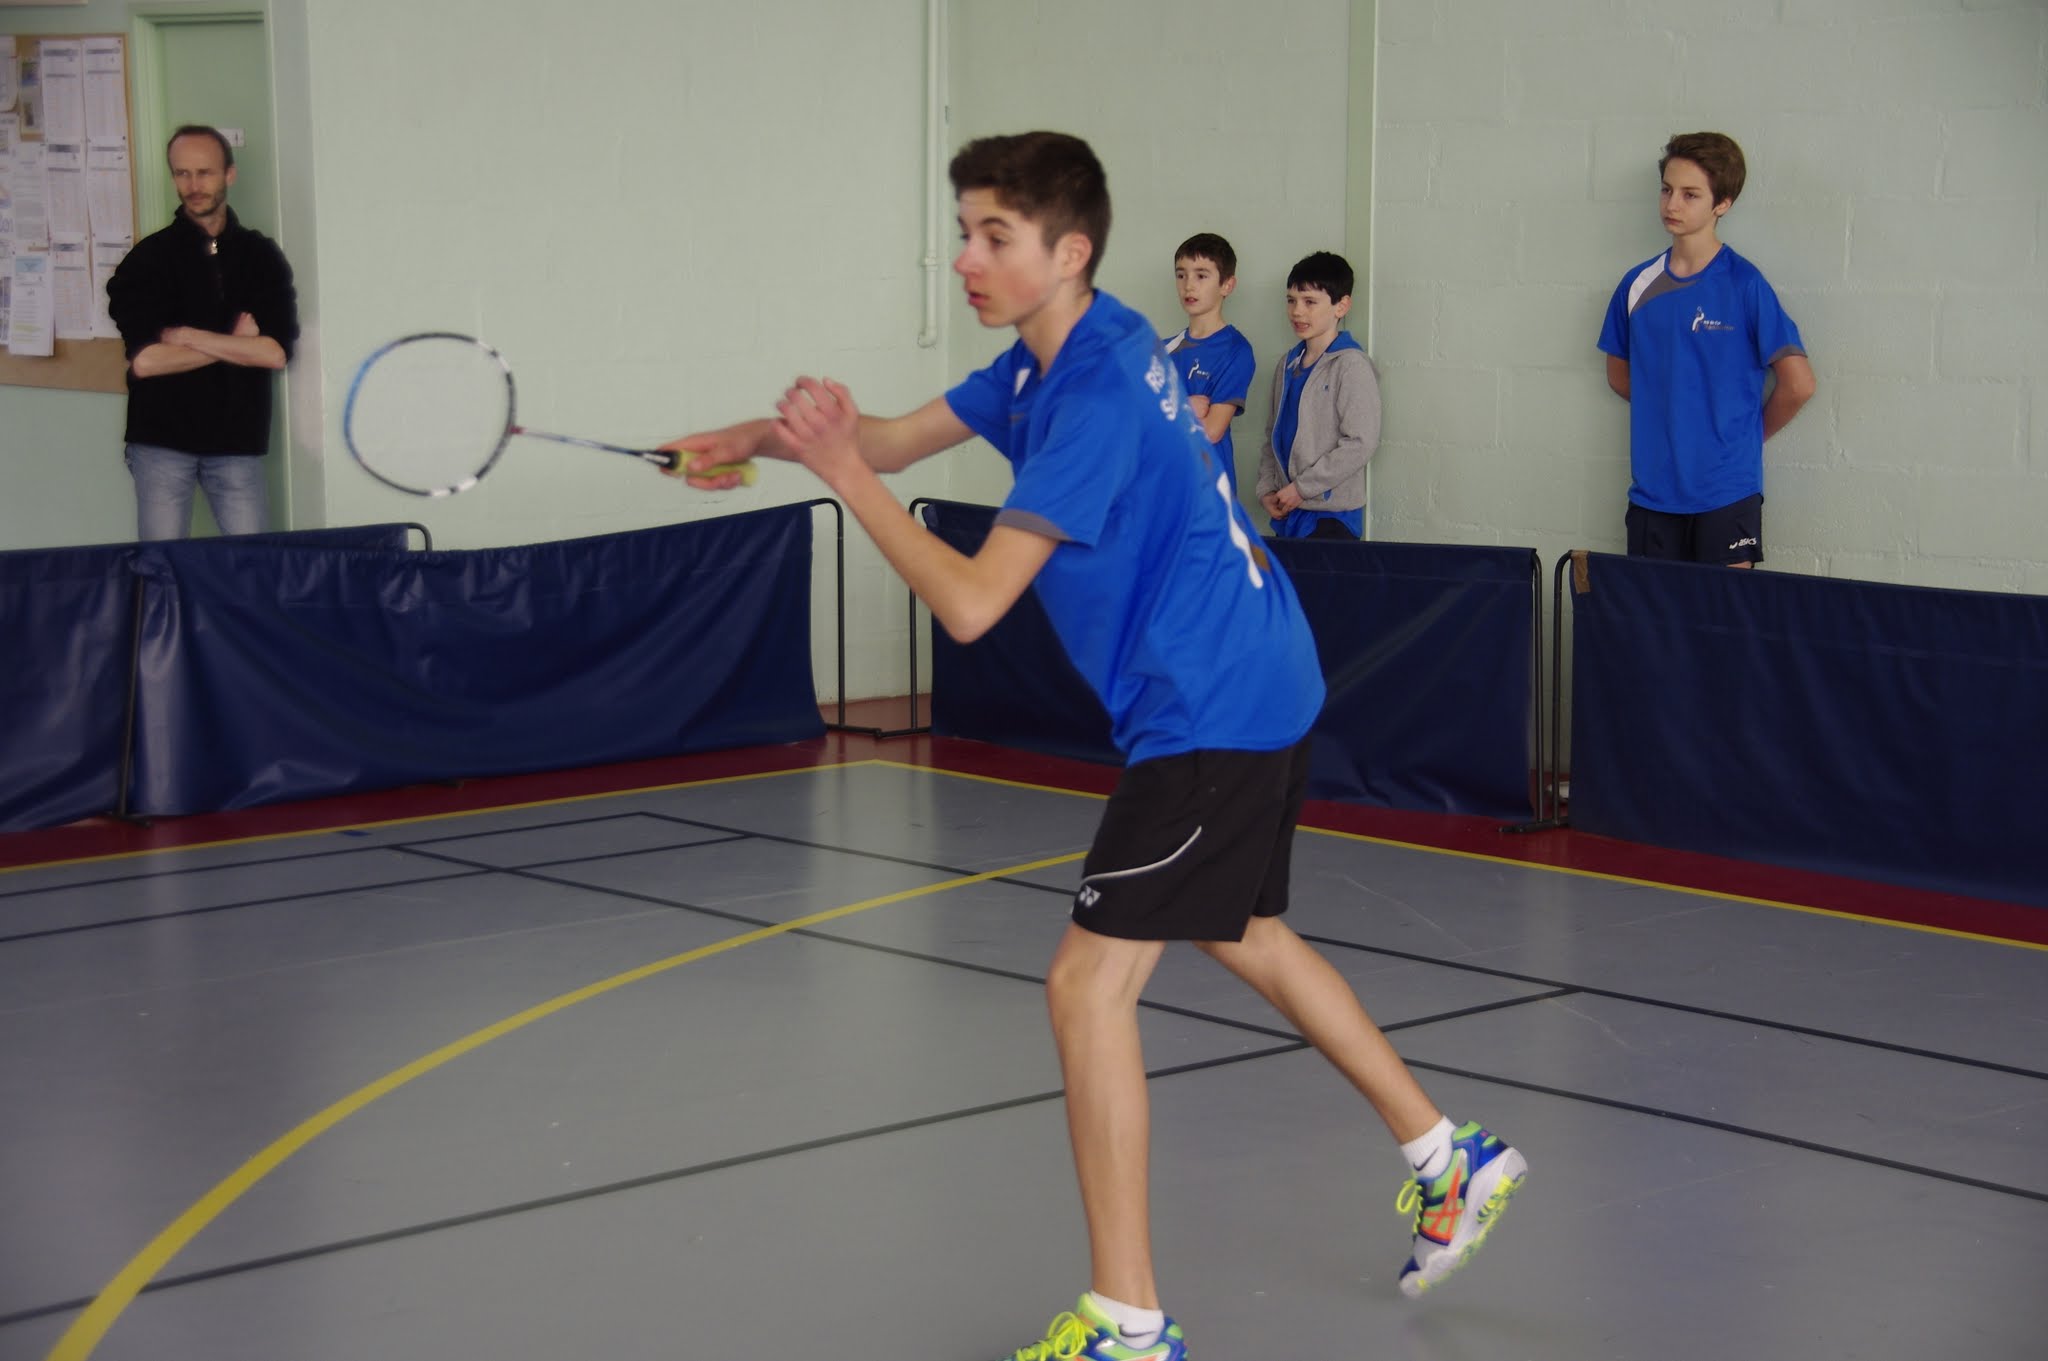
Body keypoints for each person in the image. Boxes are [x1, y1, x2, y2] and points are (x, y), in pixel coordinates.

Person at [668, 131, 1526, 1361]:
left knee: (1085, 986)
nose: (965, 257)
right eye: (962, 231)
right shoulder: (1067, 348)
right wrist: (747, 439)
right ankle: (1449, 1156)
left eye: (993, 236)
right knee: (1245, 931)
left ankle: (1127, 1322)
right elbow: (892, 436)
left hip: (1207, 703)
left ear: (1066, 251)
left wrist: (842, 477)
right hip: (1256, 668)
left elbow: (970, 603)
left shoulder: (1091, 401)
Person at [1597, 131, 1815, 566]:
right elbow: (1618, 375)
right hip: (1653, 493)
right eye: (1666, 190)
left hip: (1727, 492)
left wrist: (1745, 437)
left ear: (1722, 204)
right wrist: (1674, 410)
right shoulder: (1636, 285)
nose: (1672, 204)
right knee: (1653, 611)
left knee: (1722, 611)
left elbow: (1799, 385)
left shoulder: (1745, 284)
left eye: (1690, 194)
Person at [106, 124, 298, 541]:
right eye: (183, 174)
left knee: (252, 564)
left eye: (205, 173)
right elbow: (147, 362)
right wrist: (238, 344)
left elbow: (274, 353)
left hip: (237, 443)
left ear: (229, 174)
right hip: (160, 443)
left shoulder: (259, 256)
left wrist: (188, 337)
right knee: (163, 566)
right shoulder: (147, 260)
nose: (193, 186)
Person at [1256, 252, 1379, 540]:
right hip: (1289, 513)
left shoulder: (1351, 365)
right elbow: (1272, 436)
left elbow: (1360, 443)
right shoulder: (1287, 364)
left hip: (1331, 519)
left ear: (1341, 306)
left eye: (1310, 302)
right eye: (1291, 300)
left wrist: (1302, 488)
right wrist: (1267, 489)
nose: (1297, 311)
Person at [1161, 233, 1255, 476]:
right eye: (1181, 275)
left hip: (1210, 487)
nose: (1188, 285)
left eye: (1201, 276)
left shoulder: (1236, 350)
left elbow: (1212, 431)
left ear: (1227, 285)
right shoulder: (1161, 350)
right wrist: (1185, 406)